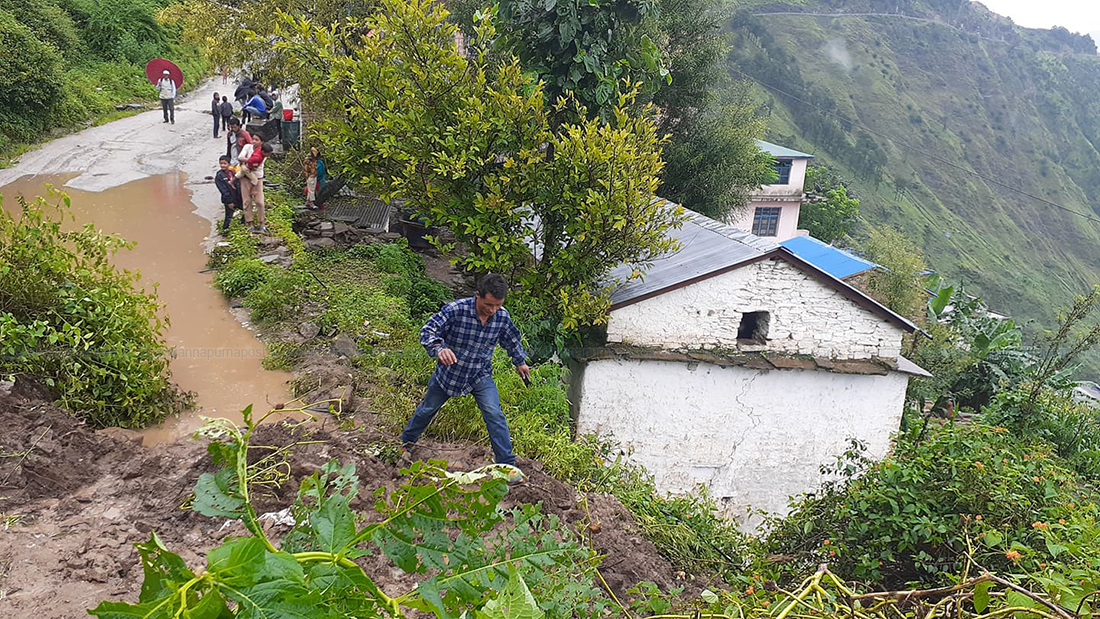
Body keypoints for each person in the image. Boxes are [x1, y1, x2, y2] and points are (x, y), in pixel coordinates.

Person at [400, 274, 530, 477]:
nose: (492, 310)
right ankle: (405, 444)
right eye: (488, 304)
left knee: (494, 414)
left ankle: (507, 466)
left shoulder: (502, 317)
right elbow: (428, 331)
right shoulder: (456, 310)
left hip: (479, 374)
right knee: (428, 409)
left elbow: (511, 340)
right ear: (477, 295)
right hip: (449, 374)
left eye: (497, 305)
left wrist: (520, 361)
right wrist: (439, 348)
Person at [236, 134, 268, 233]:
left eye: (256, 140)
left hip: (257, 179)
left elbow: (256, 166)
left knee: (260, 202)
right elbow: (240, 157)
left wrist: (247, 161)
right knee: (246, 201)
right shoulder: (247, 147)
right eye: (253, 139)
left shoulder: (264, 152)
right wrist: (249, 161)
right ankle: (250, 223)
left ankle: (262, 222)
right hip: (245, 178)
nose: (253, 141)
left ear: (262, 142)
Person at [214, 155, 240, 234]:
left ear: (229, 164)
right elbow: (223, 190)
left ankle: (241, 224)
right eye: (221, 164)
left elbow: (237, 184)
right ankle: (225, 231)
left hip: (237, 197)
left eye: (224, 163)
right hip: (229, 200)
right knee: (229, 216)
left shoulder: (232, 173)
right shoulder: (219, 176)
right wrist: (229, 201)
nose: (222, 165)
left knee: (245, 210)